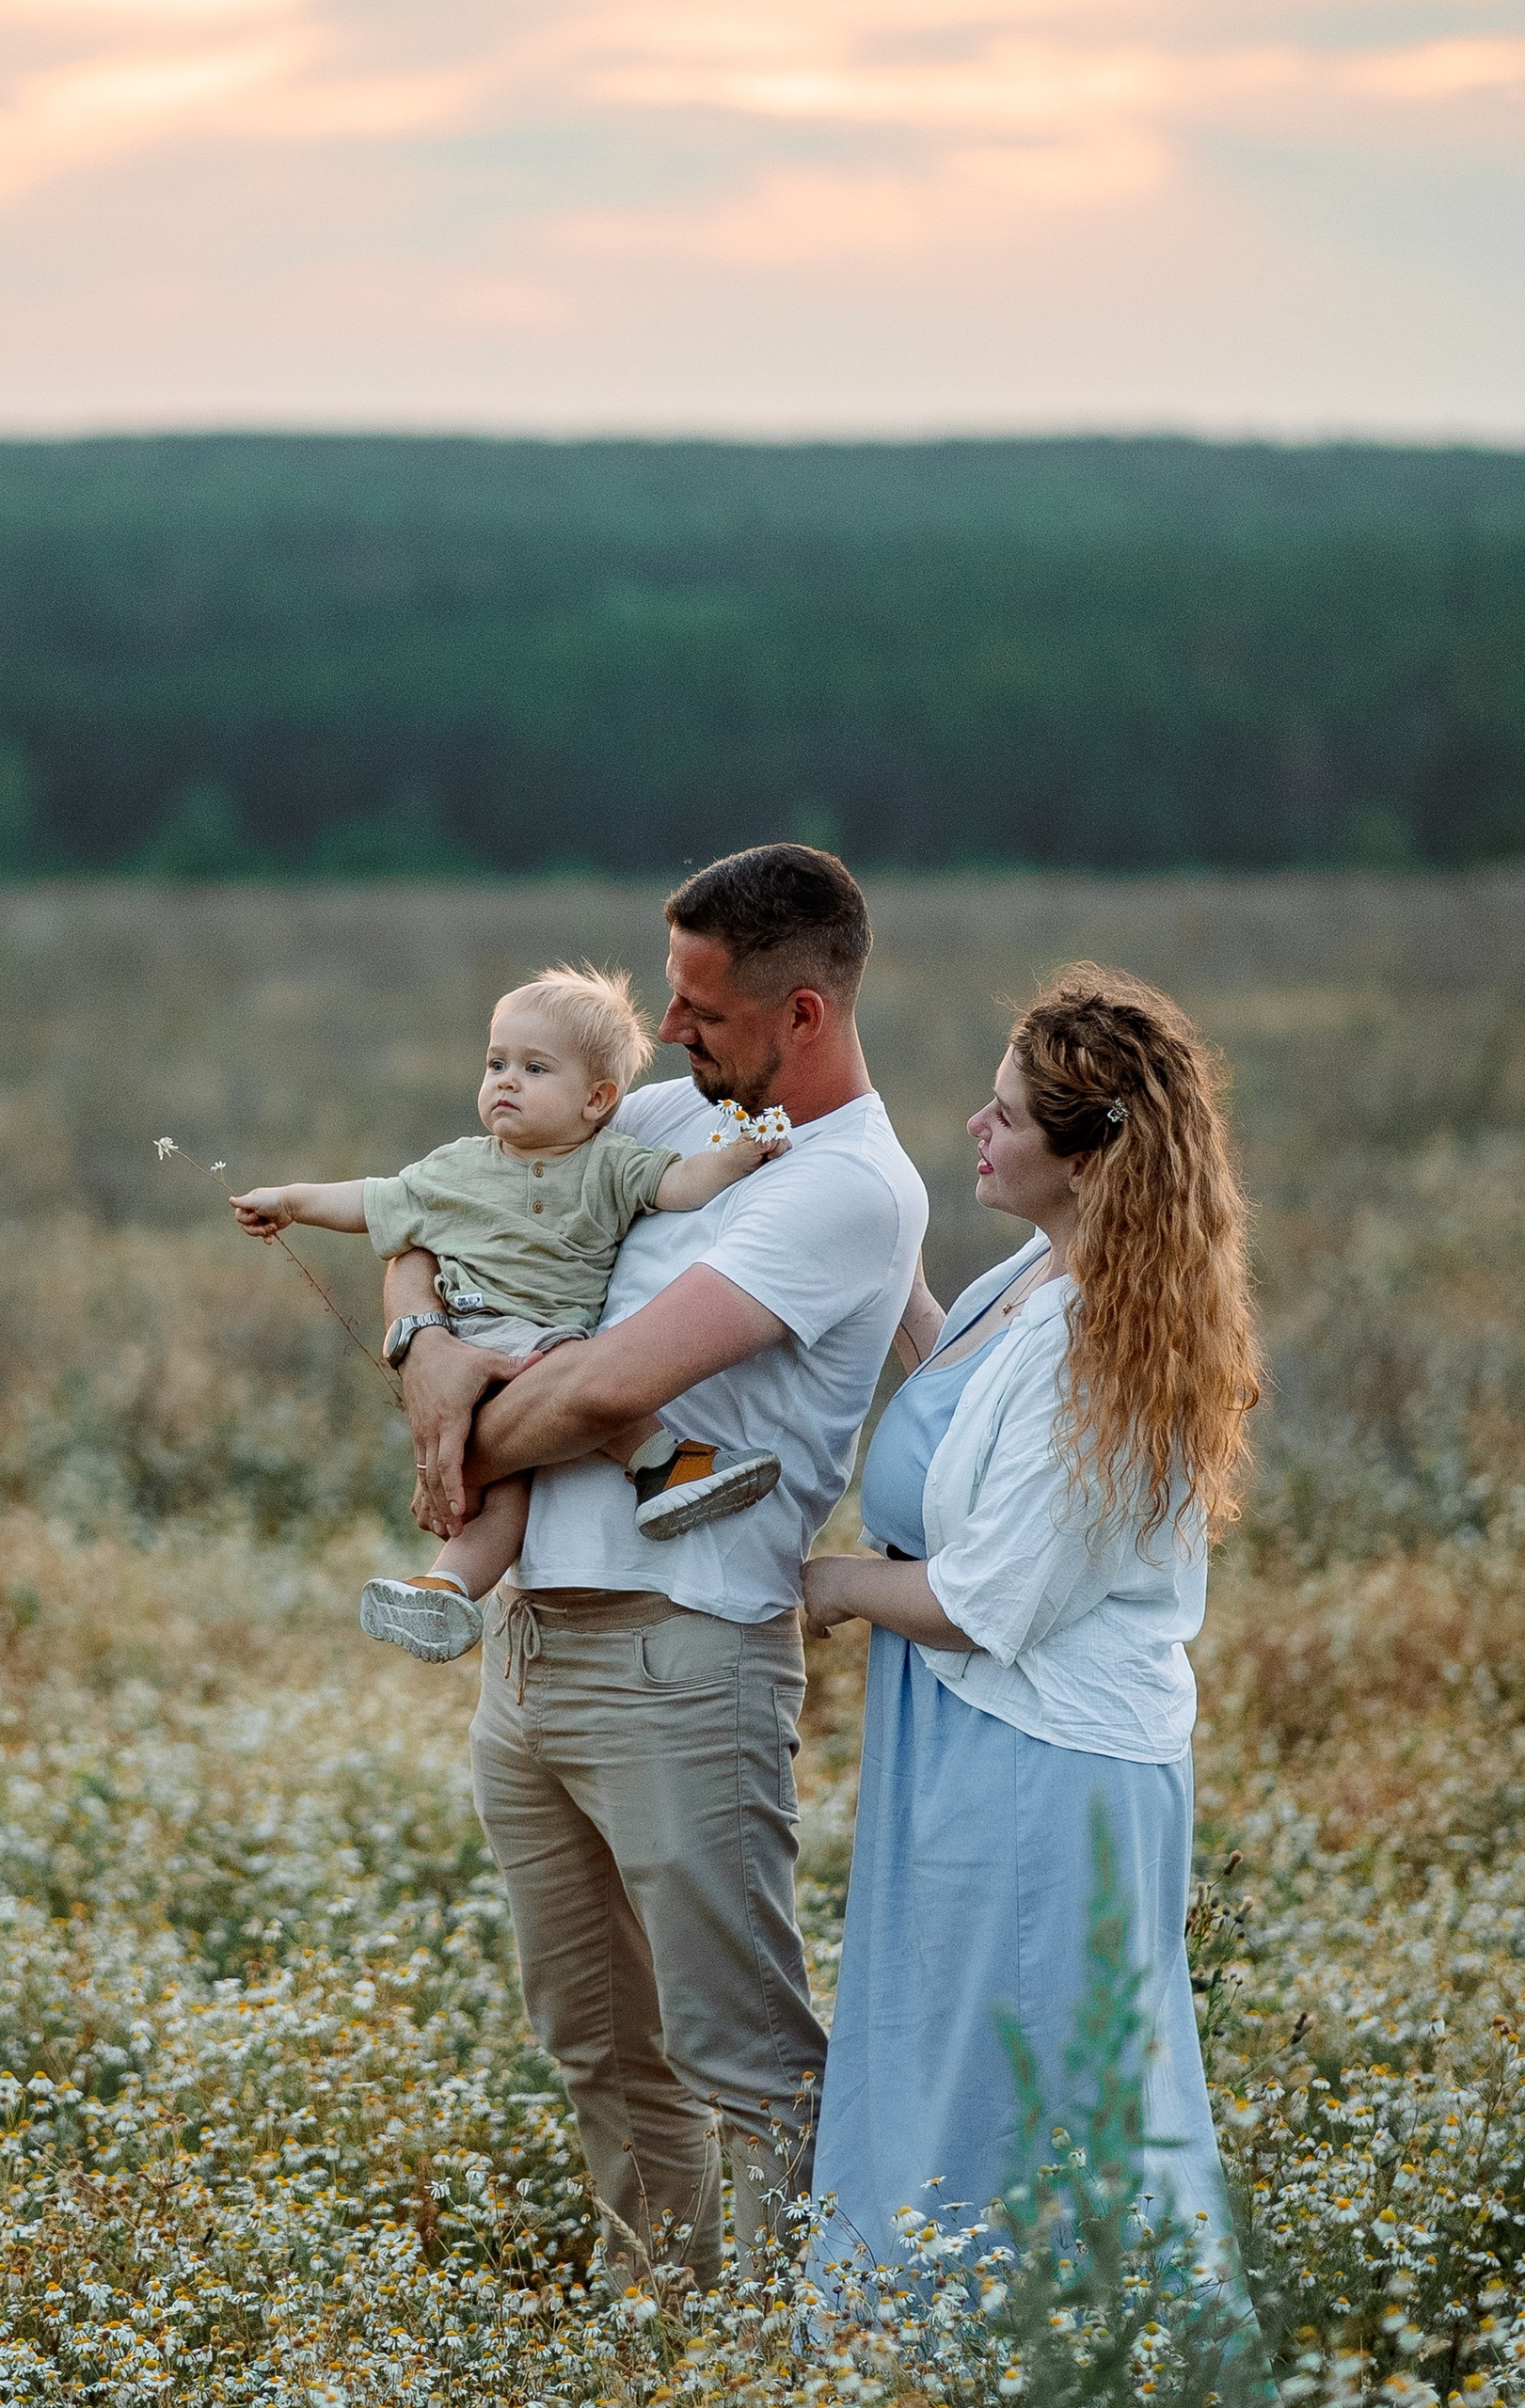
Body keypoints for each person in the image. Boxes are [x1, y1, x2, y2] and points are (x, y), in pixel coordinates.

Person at [392, 844, 932, 2288]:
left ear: (803, 1014)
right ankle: (665, 2332)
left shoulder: (846, 1189)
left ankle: (796, 2355)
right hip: (532, 1653)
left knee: (745, 2062)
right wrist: (423, 1344)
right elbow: (440, 1211)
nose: (671, 1035)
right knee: (596, 2046)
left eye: (703, 1008)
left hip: (681, 1656)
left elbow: (607, 1394)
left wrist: (463, 1434)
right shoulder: (668, 1110)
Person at [800, 965, 1262, 2298]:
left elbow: (986, 1598)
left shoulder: (1104, 1342)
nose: (974, 1127)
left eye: (1006, 1113)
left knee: (1020, 2098)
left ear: (1090, 1152)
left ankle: (1027, 2359)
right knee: (962, 2070)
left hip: (1034, 1764)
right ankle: (938, 2355)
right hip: (970, 1742)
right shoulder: (1049, 1272)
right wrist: (890, 1293)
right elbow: (977, 1426)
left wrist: (823, 1588)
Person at [230, 965, 791, 1664]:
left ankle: (470, 1574)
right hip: (475, 1333)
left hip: (546, 1347)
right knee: (554, 1406)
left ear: (597, 1099)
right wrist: (291, 1200)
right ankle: (638, 1478)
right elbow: (376, 1201)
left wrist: (736, 1157)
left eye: (533, 1068)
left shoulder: (612, 1165)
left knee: (522, 1475)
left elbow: (680, 1186)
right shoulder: (456, 1168)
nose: (505, 1081)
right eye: (495, 1063)